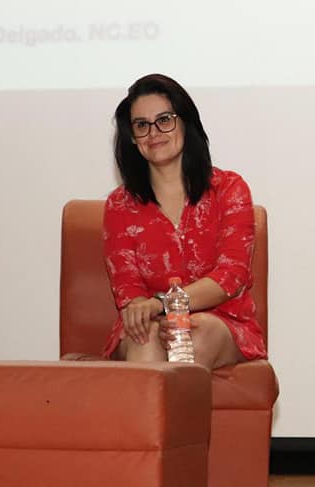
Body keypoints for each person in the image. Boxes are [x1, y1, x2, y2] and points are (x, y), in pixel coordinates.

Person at [102, 73, 266, 369]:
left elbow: (231, 276)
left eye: (164, 120)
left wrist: (166, 305)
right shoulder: (119, 205)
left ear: (186, 123)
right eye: (141, 125)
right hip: (149, 324)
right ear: (132, 138)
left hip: (220, 322)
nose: (153, 133)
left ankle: (166, 398)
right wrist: (154, 314)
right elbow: (130, 292)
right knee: (145, 338)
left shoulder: (229, 189)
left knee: (191, 334)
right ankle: (155, 402)